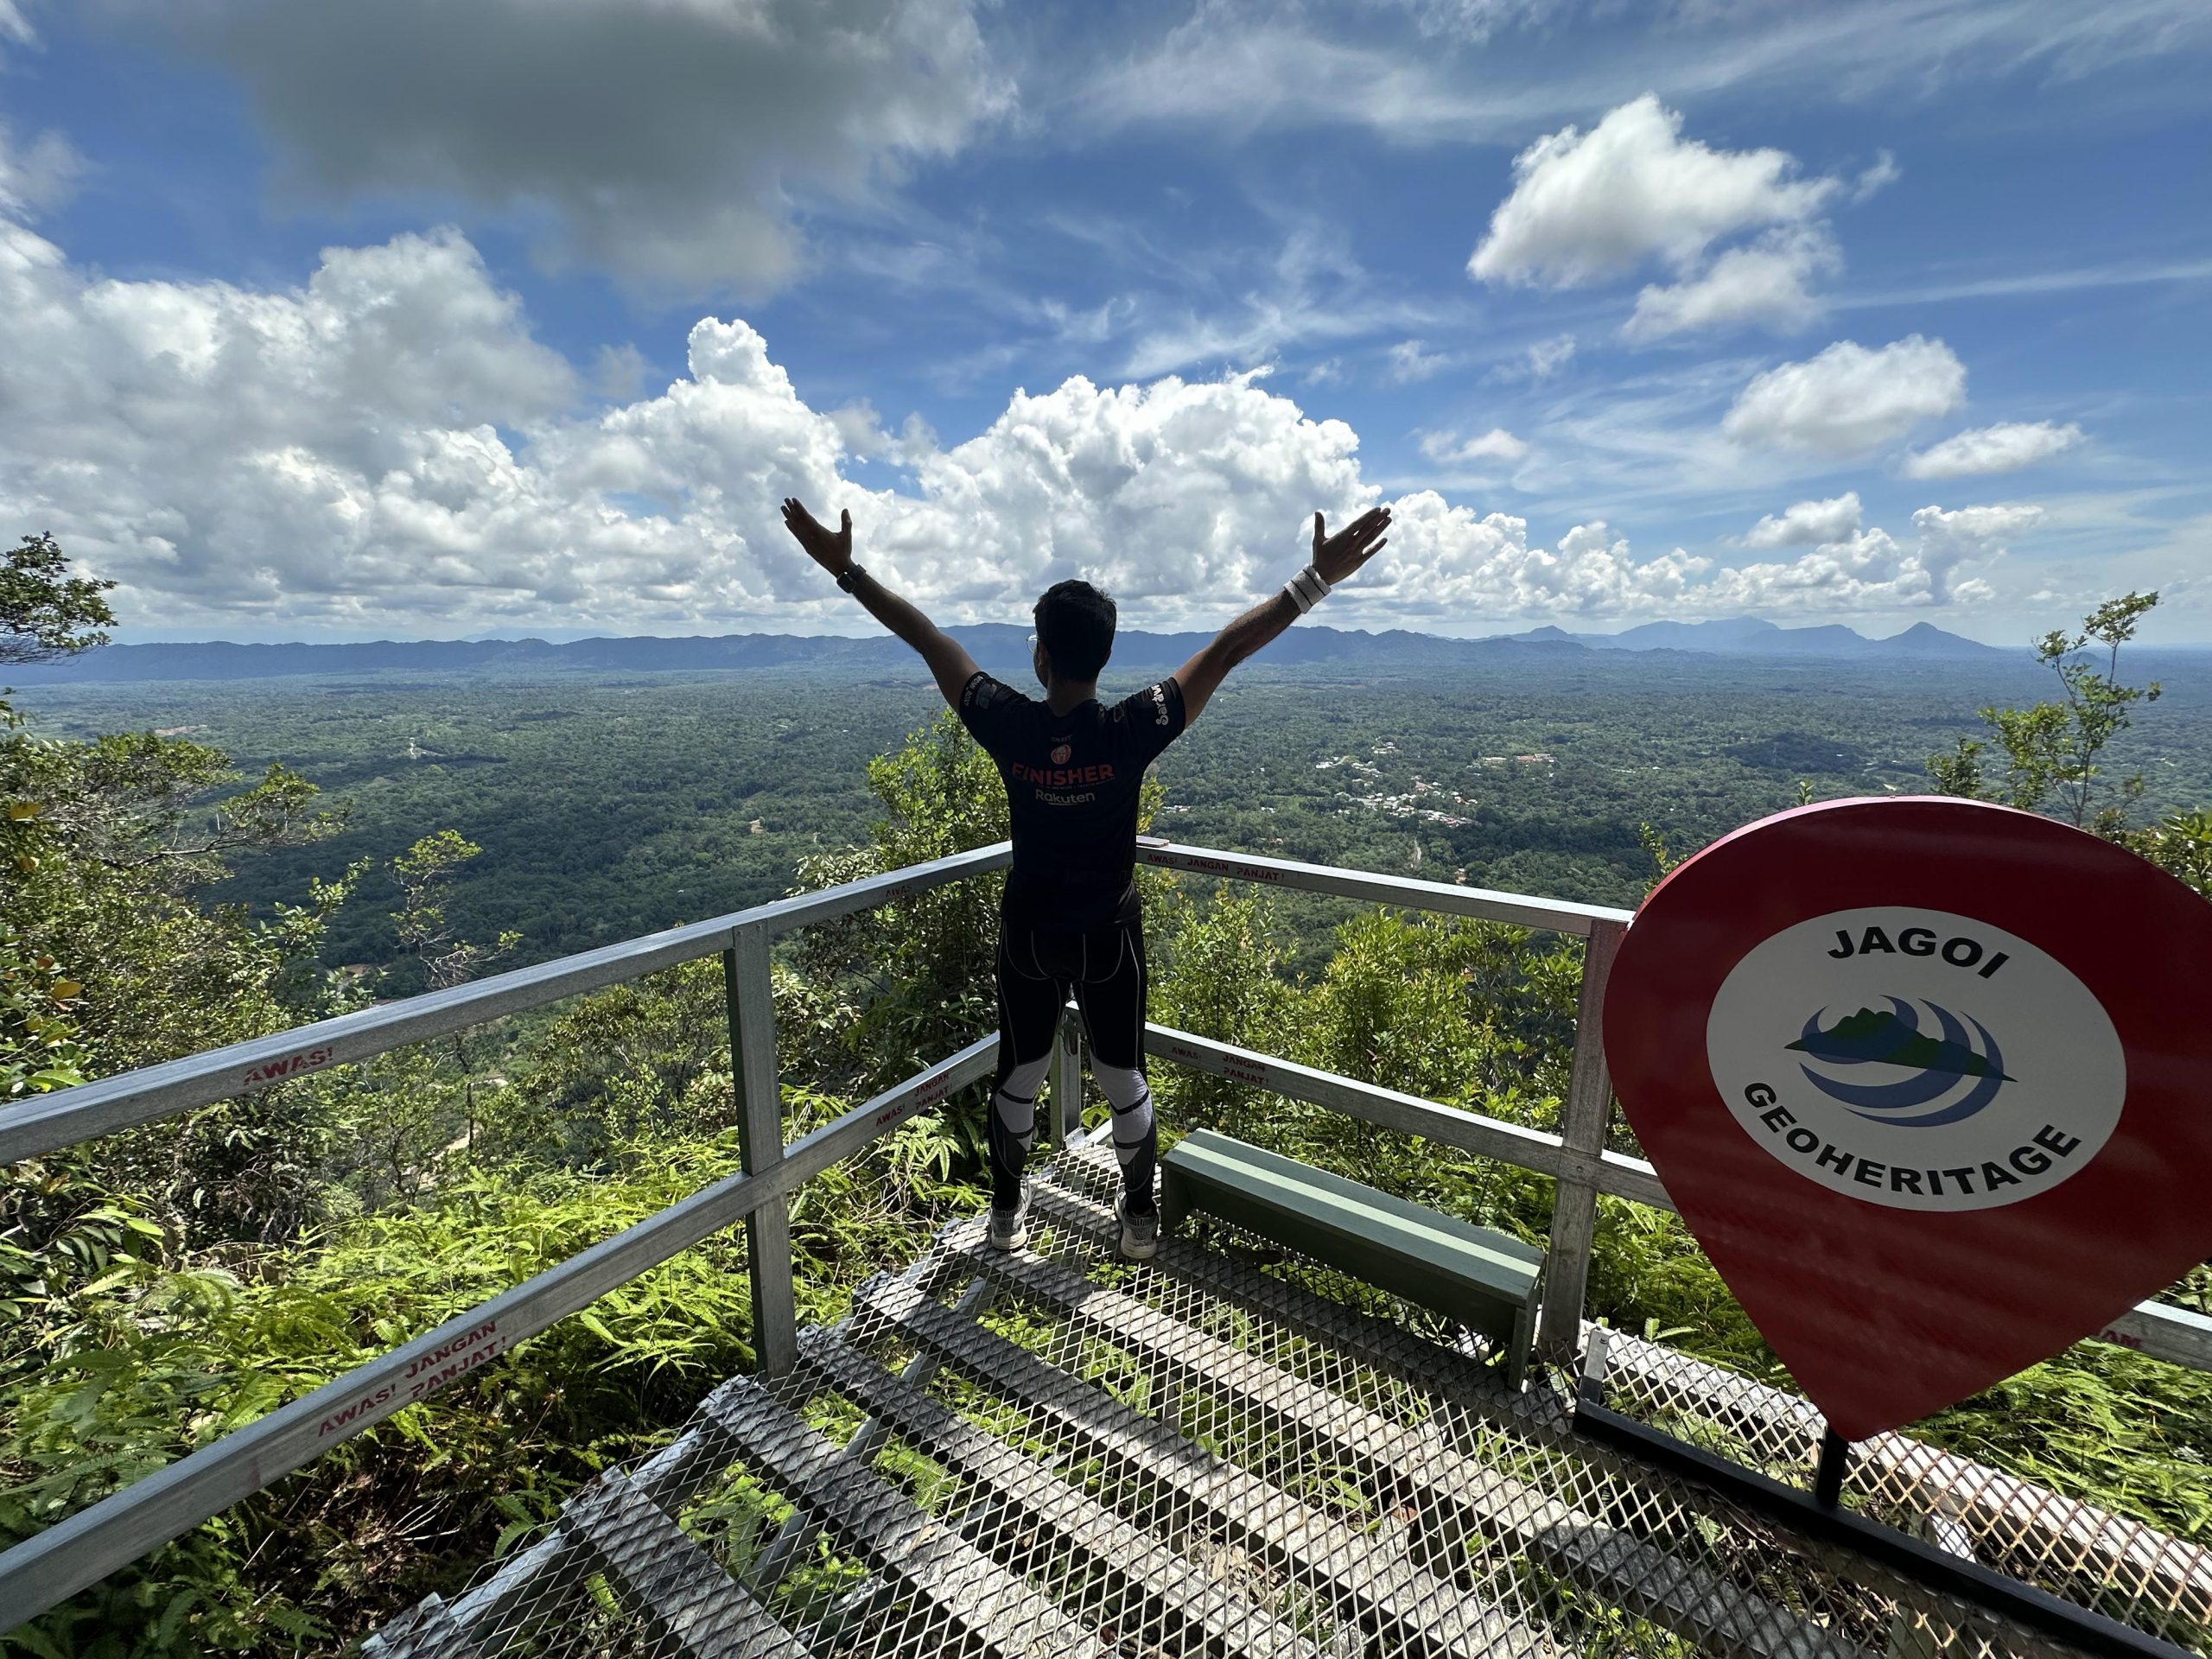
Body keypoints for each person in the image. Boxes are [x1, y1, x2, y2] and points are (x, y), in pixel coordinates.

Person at [780, 497, 1393, 1258]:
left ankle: (1006, 1212)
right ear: (1103, 656)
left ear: (1040, 656)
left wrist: (847, 572)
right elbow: (1228, 649)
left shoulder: (1008, 722)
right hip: (1109, 935)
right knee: (1124, 1077)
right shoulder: (1132, 728)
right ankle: (1139, 1218)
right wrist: (1313, 581)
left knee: (1021, 1074)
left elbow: (925, 637)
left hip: (1030, 933)